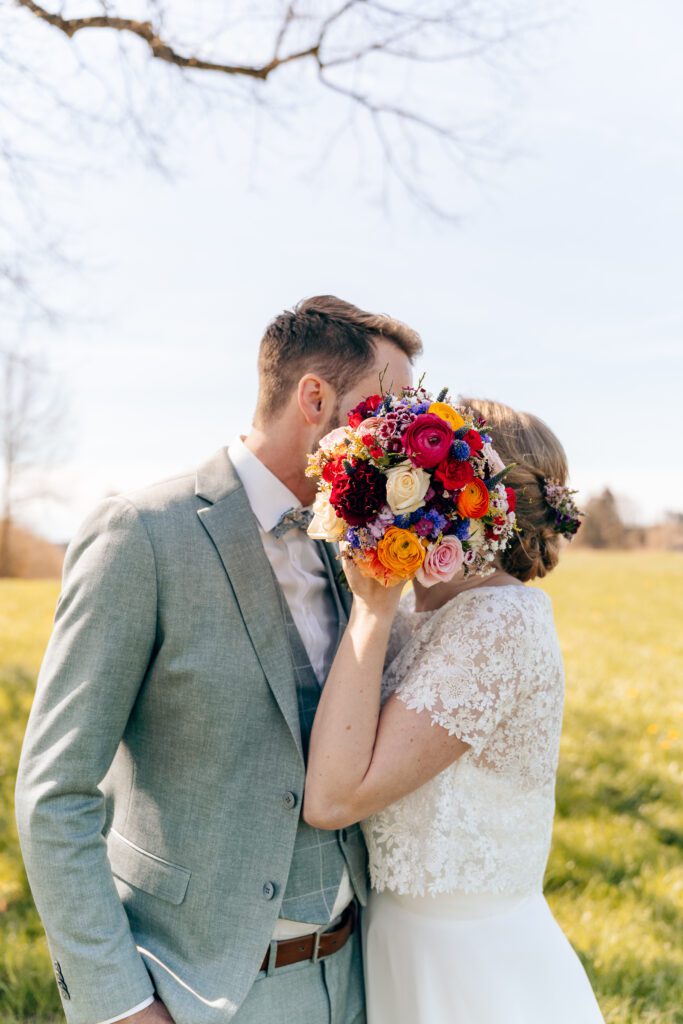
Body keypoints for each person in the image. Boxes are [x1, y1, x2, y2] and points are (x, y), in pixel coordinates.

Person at [14, 295, 420, 1024]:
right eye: (384, 412)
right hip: (196, 994)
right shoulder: (142, 535)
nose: (402, 440)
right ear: (314, 399)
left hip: (357, 978)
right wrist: (118, 1005)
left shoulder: (356, 547)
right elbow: (55, 792)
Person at [303, 398, 606, 1024]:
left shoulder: (499, 623)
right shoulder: (419, 610)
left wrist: (370, 610)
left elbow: (332, 800)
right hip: (400, 947)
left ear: (464, 498)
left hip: (470, 966)